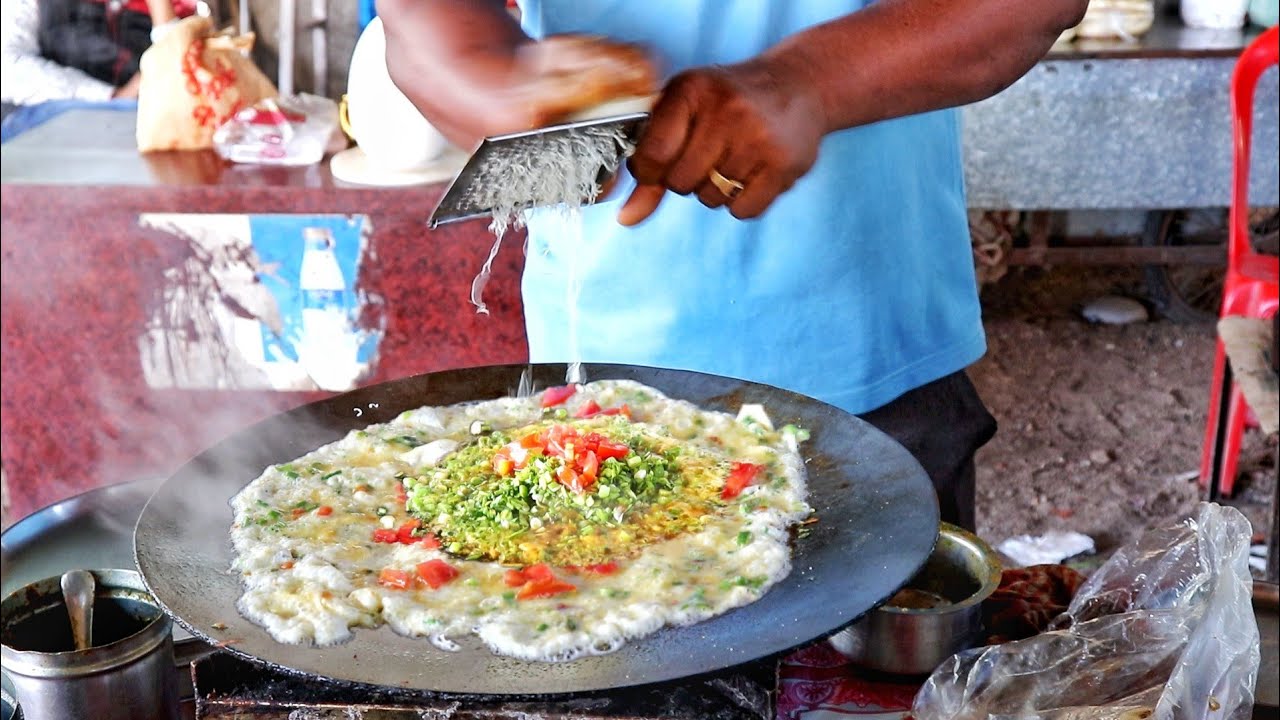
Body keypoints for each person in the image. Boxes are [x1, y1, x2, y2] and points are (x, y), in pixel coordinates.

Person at [377, 0, 1089, 531]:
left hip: (875, 362)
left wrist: (807, 81)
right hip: (602, 388)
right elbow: (422, 26)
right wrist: (496, 86)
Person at [1, 0, 194, 134]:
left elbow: (176, 66)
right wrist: (112, 96)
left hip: (141, 123)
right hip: (50, 123)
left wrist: (161, 9)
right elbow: (8, 69)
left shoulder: (182, 8)